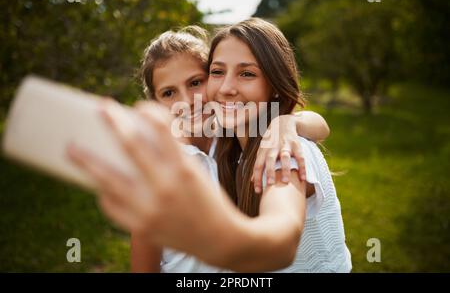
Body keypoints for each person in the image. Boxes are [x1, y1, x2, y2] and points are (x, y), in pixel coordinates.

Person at [67, 18, 350, 272]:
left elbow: (280, 240)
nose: (189, 101)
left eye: (196, 82)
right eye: (218, 72)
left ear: (274, 84)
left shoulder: (279, 150)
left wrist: (287, 123)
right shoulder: (232, 148)